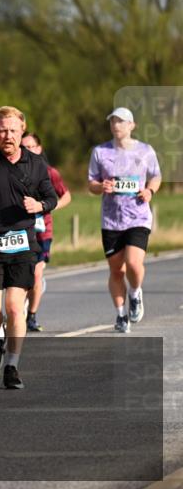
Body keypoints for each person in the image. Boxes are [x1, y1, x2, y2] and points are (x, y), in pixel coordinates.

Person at [0, 107, 57, 390]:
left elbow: (51, 196)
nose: (8, 136)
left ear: (22, 131)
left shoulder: (36, 164)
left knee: (14, 307)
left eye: (13, 130)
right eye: (2, 130)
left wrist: (40, 206)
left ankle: (12, 365)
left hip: (23, 243)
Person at [87, 107, 161, 333]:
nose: (116, 125)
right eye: (113, 122)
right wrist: (101, 186)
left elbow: (156, 175)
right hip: (111, 220)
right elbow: (91, 183)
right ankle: (120, 315)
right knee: (116, 271)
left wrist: (149, 191)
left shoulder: (145, 151)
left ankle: (135, 292)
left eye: (121, 122)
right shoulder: (100, 152)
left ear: (132, 125)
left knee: (134, 263)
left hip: (138, 215)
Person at [20, 132, 72, 331]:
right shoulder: (11, 170)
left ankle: (31, 316)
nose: (29, 151)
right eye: (24, 147)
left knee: (35, 274)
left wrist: (48, 206)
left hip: (42, 231)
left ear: (39, 149)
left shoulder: (49, 172)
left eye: (32, 147)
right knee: (19, 273)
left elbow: (66, 196)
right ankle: (19, 307)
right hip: (19, 230)